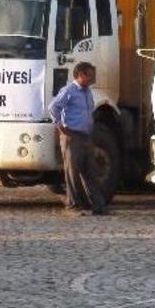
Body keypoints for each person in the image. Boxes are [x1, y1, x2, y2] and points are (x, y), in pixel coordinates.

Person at [48, 62, 106, 215]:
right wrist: (59, 125)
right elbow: (53, 107)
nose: (92, 78)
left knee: (90, 171)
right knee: (72, 172)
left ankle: (97, 205)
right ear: (80, 75)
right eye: (89, 75)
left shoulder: (87, 92)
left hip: (85, 136)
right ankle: (73, 205)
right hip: (72, 136)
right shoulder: (69, 90)